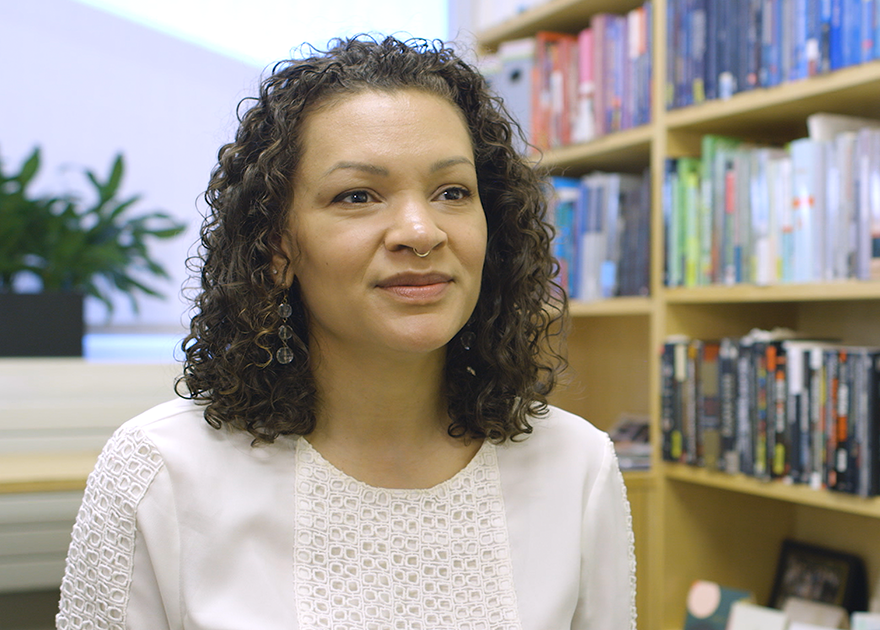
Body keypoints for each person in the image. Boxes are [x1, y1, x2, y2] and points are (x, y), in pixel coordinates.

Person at [56, 35, 636, 629]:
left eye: (452, 192)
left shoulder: (576, 466)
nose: (421, 231)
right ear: (278, 249)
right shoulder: (160, 471)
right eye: (357, 196)